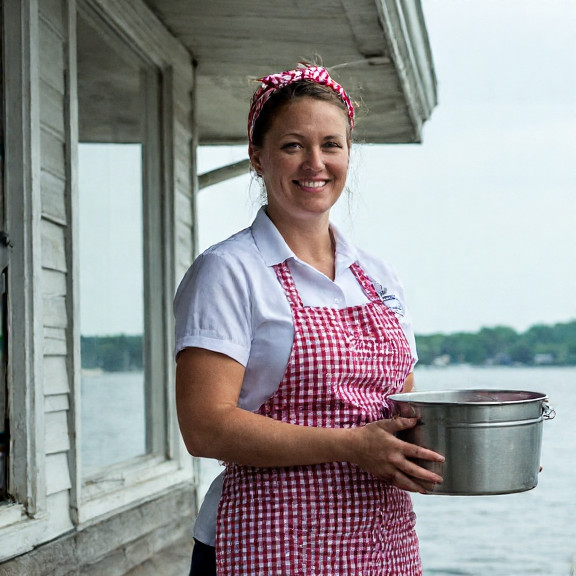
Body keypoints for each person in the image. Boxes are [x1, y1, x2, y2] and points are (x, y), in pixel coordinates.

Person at [174, 63, 445, 576]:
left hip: (379, 544)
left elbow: (401, 413)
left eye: (331, 145)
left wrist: (487, 454)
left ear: (348, 153)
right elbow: (205, 428)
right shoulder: (229, 271)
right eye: (293, 145)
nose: (314, 163)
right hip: (265, 542)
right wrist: (350, 447)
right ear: (258, 156)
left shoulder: (378, 276)